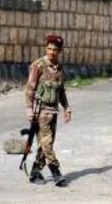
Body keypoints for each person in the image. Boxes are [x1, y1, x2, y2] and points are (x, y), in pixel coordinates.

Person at [25, 35, 72, 186]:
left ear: (60, 51)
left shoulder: (59, 67)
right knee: (47, 142)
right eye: (49, 49)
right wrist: (29, 109)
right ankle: (56, 171)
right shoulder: (38, 65)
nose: (52, 52)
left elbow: (61, 90)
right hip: (41, 110)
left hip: (53, 110)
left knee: (46, 144)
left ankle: (35, 171)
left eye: (55, 50)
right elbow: (30, 88)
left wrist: (67, 107)